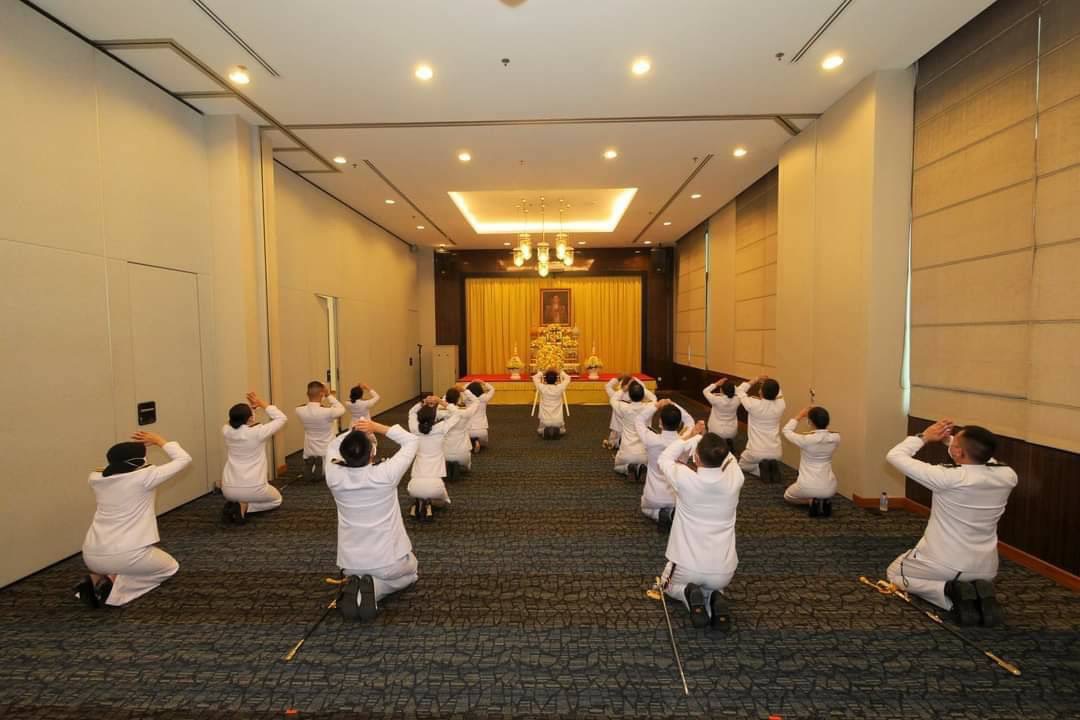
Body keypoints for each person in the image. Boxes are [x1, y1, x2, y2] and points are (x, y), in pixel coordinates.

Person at [884, 419, 1017, 626]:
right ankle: (976, 596)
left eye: (955, 445)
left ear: (958, 452)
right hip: (986, 568)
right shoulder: (1008, 475)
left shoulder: (947, 477)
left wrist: (924, 437)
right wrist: (950, 442)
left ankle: (949, 594)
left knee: (894, 573)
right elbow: (982, 459)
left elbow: (895, 455)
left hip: (944, 564)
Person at [76, 431, 192, 608]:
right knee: (170, 568)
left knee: (124, 564)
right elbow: (184, 459)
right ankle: (114, 587)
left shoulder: (95, 478)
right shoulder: (144, 477)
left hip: (90, 555)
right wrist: (159, 441)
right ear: (139, 460)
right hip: (128, 554)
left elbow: (115, 469)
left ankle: (95, 579)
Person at [325, 418, 420, 621]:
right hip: (388, 562)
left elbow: (332, 446)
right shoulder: (385, 474)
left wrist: (353, 430)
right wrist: (376, 427)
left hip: (350, 565)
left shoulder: (334, 476)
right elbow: (412, 441)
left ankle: (358, 586)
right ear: (372, 453)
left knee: (397, 573)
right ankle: (376, 589)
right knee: (412, 572)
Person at [657, 425, 745, 631]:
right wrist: (705, 439)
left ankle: (688, 594)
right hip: (723, 572)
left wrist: (691, 436)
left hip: (687, 567)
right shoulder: (735, 480)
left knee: (666, 585)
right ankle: (713, 595)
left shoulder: (685, 478)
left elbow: (664, 458)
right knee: (714, 587)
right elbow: (729, 458)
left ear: (696, 458)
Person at [220, 392, 288, 524]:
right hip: (255, 488)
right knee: (277, 500)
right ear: (250, 418)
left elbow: (233, 423)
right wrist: (261, 404)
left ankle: (238, 506)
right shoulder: (258, 432)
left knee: (246, 495)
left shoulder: (226, 431)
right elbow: (281, 418)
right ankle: (245, 507)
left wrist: (248, 415)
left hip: (228, 490)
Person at [633, 399, 695, 531]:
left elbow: (639, 419)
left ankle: (660, 514)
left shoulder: (651, 439)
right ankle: (673, 514)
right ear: (680, 423)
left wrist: (657, 405)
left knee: (645, 508)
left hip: (653, 497)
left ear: (660, 422)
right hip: (677, 497)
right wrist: (673, 403)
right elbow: (690, 420)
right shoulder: (685, 440)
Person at [781, 405, 841, 516]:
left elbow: (786, 431)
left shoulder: (806, 439)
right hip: (830, 488)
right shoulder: (836, 437)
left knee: (788, 496)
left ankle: (811, 501)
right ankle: (823, 501)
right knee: (822, 491)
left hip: (806, 487)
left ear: (809, 422)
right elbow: (824, 437)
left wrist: (800, 415)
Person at [406, 396, 458, 521]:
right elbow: (457, 413)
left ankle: (419, 502)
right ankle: (428, 503)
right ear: (434, 418)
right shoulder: (441, 428)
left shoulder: (414, 429)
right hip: (436, 486)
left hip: (413, 486)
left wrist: (423, 402)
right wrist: (440, 401)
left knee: (421, 489)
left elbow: (411, 412)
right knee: (441, 503)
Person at [735, 375, 786, 482]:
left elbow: (739, 390)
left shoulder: (753, 404)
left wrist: (756, 379)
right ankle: (770, 468)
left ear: (761, 392)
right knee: (756, 460)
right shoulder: (781, 405)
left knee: (741, 465)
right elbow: (778, 392)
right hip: (776, 452)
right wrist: (770, 381)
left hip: (756, 452)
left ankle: (760, 470)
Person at [295, 381, 345, 482]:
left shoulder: (299, 410)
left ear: (307, 394)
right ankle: (322, 469)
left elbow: (309, 407)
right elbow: (341, 409)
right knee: (336, 466)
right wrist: (328, 395)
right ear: (322, 394)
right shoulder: (328, 412)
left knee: (317, 465)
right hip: (327, 448)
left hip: (310, 448)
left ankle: (313, 466)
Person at [611, 380, 656, 478]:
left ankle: (627, 468)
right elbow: (654, 398)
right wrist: (643, 389)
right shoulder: (649, 407)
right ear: (643, 395)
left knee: (617, 467)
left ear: (630, 395)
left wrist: (623, 390)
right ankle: (644, 467)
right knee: (652, 464)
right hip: (644, 454)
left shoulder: (623, 407)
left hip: (626, 454)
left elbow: (613, 399)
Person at [604, 375, 657, 450]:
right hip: (640, 433)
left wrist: (619, 381)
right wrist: (633, 379)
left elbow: (608, 387)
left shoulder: (617, 399)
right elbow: (653, 397)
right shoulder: (647, 406)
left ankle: (614, 442)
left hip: (621, 431)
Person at [441, 386, 481, 479]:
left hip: (444, 455)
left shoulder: (440, 412)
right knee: (467, 463)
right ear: (458, 399)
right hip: (463, 455)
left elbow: (444, 403)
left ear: (446, 399)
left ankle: (447, 466)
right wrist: (464, 390)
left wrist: (447, 395)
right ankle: (466, 466)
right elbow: (476, 401)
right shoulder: (465, 413)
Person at [533, 368, 571, 438]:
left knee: (540, 430)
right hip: (558, 420)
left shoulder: (542, 388)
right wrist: (561, 372)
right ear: (556, 379)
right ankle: (558, 430)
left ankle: (544, 430)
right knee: (563, 431)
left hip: (545, 420)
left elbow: (535, 378)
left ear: (545, 379)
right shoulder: (559, 388)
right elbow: (568, 378)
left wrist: (542, 372)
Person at [702, 378, 740, 446]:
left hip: (715, 431)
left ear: (721, 390)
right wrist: (731, 386)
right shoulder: (738, 399)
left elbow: (705, 391)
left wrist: (717, 383)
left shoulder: (715, 399)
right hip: (731, 432)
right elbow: (741, 390)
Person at [463, 380, 496, 453]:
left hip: (469, 430)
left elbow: (463, 389)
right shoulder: (485, 398)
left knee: (463, 440)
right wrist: (483, 382)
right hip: (482, 431)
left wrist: (471, 382)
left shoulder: (466, 399)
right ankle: (477, 441)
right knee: (483, 444)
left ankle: (473, 441)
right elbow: (492, 389)